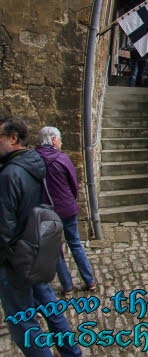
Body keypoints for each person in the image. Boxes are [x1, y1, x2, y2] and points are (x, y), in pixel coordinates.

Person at [0, 117, 83, 357]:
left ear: (13, 138)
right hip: (39, 245)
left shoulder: (9, 175)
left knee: (22, 321)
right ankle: (71, 352)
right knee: (50, 307)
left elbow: (4, 227)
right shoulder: (37, 162)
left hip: (16, 256)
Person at [35, 127, 97, 295]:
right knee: (75, 243)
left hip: (46, 211)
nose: (61, 142)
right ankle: (89, 280)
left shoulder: (33, 160)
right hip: (66, 208)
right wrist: (70, 199)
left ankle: (67, 285)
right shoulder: (62, 158)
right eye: (60, 139)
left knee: (55, 249)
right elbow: (73, 184)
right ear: (53, 139)